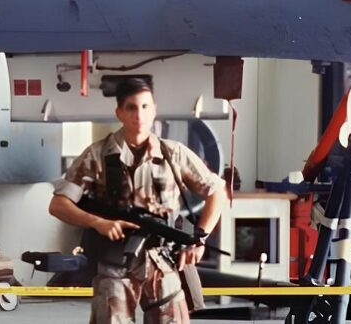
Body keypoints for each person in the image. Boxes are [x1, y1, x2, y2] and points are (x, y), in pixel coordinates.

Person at [49, 77, 227, 323]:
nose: (139, 115)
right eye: (131, 107)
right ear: (119, 112)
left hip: (162, 260)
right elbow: (58, 204)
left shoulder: (173, 153)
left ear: (154, 110)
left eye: (145, 106)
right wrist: (97, 222)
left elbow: (217, 191)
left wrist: (201, 237)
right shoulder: (97, 155)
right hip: (114, 261)